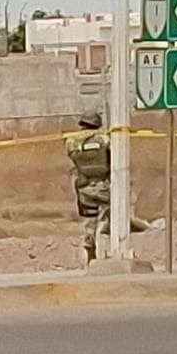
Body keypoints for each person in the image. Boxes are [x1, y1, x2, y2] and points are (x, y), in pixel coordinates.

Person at [67, 111, 113, 263]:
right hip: (104, 186)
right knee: (109, 218)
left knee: (90, 221)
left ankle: (90, 248)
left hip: (84, 188)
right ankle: (109, 251)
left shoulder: (73, 142)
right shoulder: (105, 139)